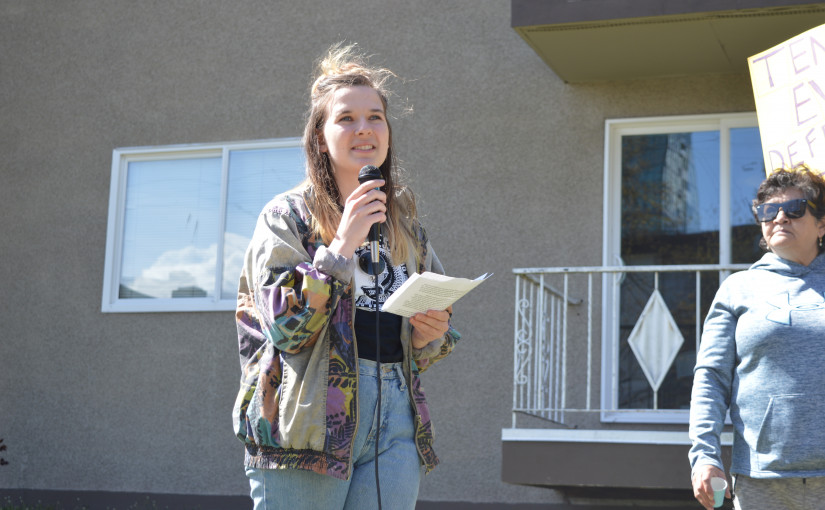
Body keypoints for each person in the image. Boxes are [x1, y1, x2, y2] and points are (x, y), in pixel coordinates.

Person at [231, 42, 461, 510]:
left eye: (375, 117)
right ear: (320, 138)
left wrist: (429, 334)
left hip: (395, 420)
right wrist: (341, 247)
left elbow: (429, 333)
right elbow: (286, 329)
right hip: (308, 425)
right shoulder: (286, 217)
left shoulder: (404, 225)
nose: (364, 129)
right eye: (346, 118)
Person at [689, 164, 825, 509]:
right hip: (761, 481)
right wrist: (704, 455)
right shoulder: (737, 288)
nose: (780, 217)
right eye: (768, 211)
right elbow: (711, 377)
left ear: (822, 224)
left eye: (794, 208)